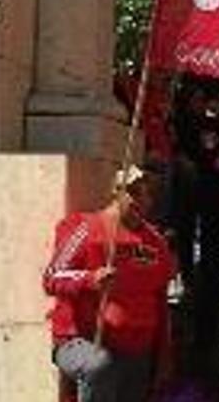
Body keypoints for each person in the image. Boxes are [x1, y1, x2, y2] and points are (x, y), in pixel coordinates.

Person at [44, 165, 175, 402]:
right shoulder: (86, 228)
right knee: (99, 366)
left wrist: (164, 354)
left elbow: (160, 301)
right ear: (116, 192)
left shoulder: (157, 243)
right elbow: (52, 276)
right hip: (82, 341)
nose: (141, 199)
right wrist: (90, 279)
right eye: (134, 191)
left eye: (147, 193)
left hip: (138, 352)